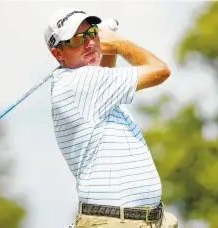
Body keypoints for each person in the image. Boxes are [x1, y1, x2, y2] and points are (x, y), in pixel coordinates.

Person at [44, 7, 178, 228]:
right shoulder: (81, 82)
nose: (88, 43)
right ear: (58, 54)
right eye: (77, 40)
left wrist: (105, 51)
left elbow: (106, 82)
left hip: (136, 219)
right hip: (116, 221)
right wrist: (116, 43)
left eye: (91, 33)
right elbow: (160, 70)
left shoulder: (89, 88)